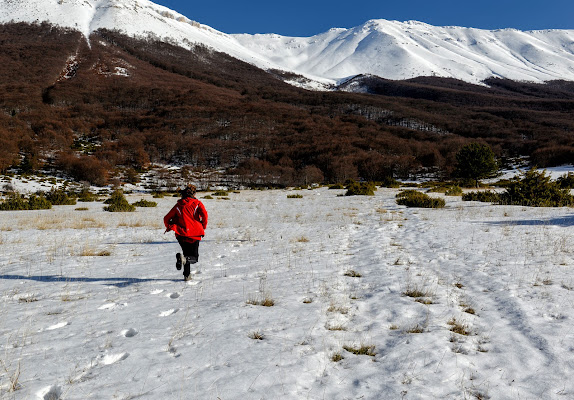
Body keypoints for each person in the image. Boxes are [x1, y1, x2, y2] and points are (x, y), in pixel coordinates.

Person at [164, 184, 208, 280]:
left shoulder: (178, 205)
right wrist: (203, 226)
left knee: (185, 254)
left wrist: (169, 227)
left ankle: (187, 275)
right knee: (194, 258)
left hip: (181, 234)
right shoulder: (198, 203)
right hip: (195, 233)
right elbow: (204, 215)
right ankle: (184, 265)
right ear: (194, 193)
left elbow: (166, 218)